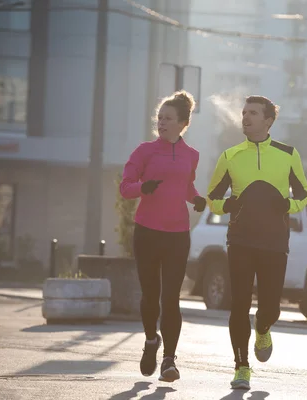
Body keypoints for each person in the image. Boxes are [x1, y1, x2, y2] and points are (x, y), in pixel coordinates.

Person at [206, 95, 307, 390]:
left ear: (268, 120)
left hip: (275, 241)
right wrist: (226, 207)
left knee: (270, 307)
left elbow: (304, 194)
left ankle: (263, 328)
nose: (246, 117)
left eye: (252, 113)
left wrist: (286, 206)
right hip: (240, 240)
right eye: (243, 113)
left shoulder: (288, 154)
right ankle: (241, 367)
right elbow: (212, 197)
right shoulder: (230, 156)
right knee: (239, 304)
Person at [119, 90, 206, 383]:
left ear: (183, 123)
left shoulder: (191, 155)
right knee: (151, 296)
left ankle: (169, 359)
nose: (162, 122)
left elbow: (187, 188)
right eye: (159, 117)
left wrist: (197, 199)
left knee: (171, 298)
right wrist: (143, 187)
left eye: (168, 118)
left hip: (177, 235)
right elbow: (125, 187)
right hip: (147, 232)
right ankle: (150, 341)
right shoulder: (144, 151)